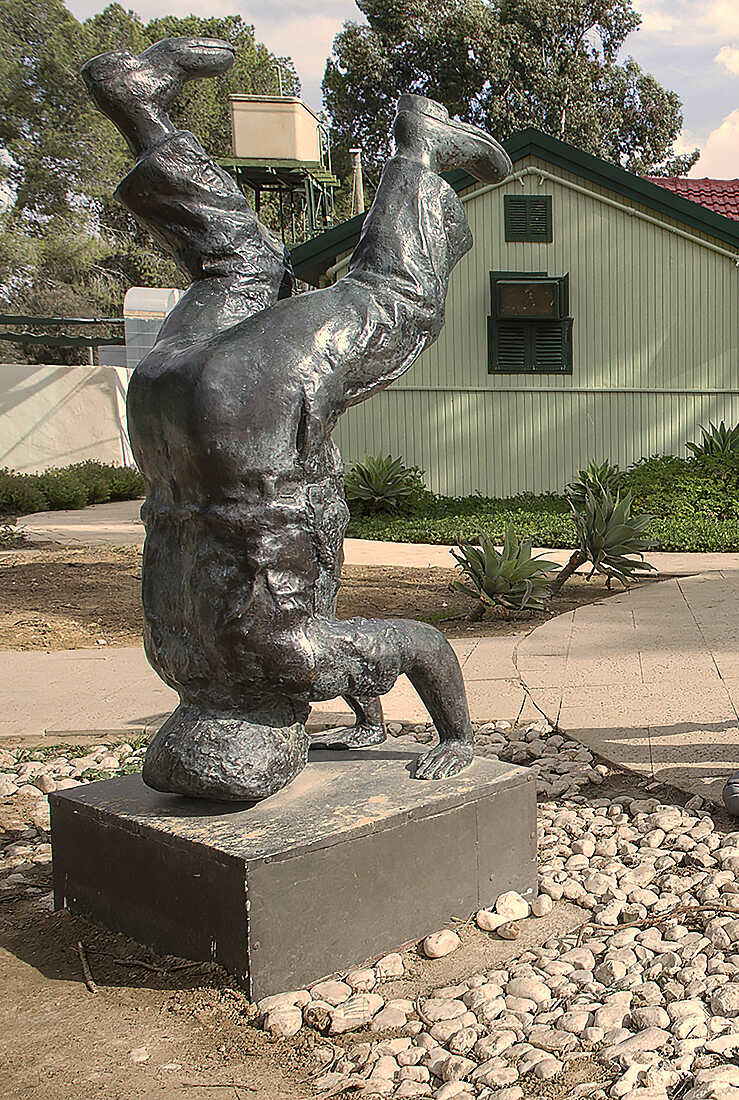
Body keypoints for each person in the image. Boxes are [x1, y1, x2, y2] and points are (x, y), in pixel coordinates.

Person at [80, 36, 509, 799]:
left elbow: (420, 645)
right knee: (238, 267)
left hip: (252, 415)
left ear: (280, 742)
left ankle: (419, 149)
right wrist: (370, 722)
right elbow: (306, 627)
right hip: (166, 405)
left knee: (394, 301)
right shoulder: (174, 657)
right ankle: (135, 101)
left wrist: (459, 738)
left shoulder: (292, 668)